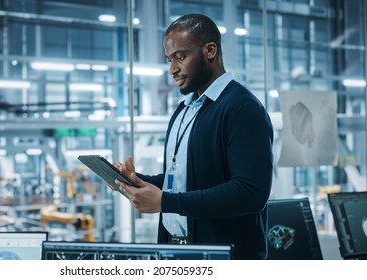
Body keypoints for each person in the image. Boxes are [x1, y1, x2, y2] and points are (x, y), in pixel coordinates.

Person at [114, 14, 274, 259]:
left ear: (210, 50)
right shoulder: (184, 110)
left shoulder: (242, 108)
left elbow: (250, 193)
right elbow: (181, 179)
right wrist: (134, 180)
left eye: (181, 57)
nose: (172, 69)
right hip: (176, 253)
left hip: (224, 258)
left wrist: (165, 202)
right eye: (169, 60)